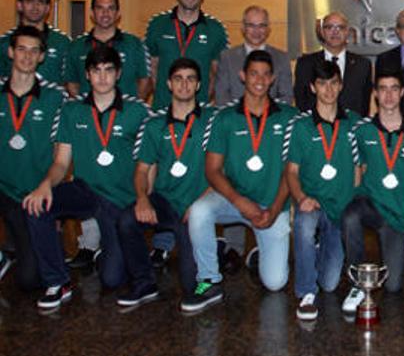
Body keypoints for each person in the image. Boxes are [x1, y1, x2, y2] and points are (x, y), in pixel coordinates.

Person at [22, 46, 151, 309]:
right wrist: (44, 186)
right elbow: (60, 163)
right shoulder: (72, 111)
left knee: (112, 279)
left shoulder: (137, 112)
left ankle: (114, 247)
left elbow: (149, 163)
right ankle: (58, 281)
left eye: (108, 70)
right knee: (37, 206)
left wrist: (143, 198)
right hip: (86, 191)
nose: (102, 77)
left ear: (118, 74)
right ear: (88, 75)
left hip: (120, 199)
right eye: (96, 71)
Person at [185, 50, 297, 311]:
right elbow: (212, 170)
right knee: (199, 211)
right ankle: (208, 280)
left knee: (275, 283)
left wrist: (276, 208)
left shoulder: (289, 117)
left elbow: (291, 171)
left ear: (272, 79)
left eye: (265, 74)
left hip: (272, 205)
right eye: (253, 73)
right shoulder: (224, 118)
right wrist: (239, 201)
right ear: (242, 76)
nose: (259, 79)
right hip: (233, 199)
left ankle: (261, 245)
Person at [116, 58, 213, 309]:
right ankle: (144, 283)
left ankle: (208, 284)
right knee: (127, 219)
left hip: (201, 202)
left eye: (191, 78)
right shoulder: (154, 124)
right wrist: (142, 198)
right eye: (178, 79)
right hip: (167, 202)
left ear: (199, 84)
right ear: (169, 84)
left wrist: (203, 204)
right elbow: (142, 170)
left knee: (192, 288)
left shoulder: (213, 121)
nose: (184, 84)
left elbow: (225, 169)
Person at [341, 68, 404, 313]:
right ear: (376, 94)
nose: (388, 95)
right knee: (350, 215)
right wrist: (357, 196)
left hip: (397, 214)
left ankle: (395, 245)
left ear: (401, 93)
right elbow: (360, 167)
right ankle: (357, 280)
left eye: (393, 89)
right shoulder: (363, 131)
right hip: (370, 204)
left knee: (392, 287)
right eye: (383, 89)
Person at [284, 60, 359, 320]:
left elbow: (361, 167)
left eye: (333, 83)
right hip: (312, 204)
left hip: (341, 209)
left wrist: (356, 202)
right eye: (322, 84)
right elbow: (291, 172)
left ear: (340, 86)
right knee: (304, 226)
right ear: (313, 88)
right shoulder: (300, 126)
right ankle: (306, 293)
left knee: (329, 283)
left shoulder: (354, 123)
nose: (328, 90)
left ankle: (316, 252)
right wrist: (301, 197)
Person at [0, 26, 67, 291]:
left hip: (30, 194)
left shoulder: (56, 97)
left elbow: (61, 156)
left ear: (42, 56)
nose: (27, 57)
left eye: (34, 51)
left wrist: (51, 190)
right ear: (10, 52)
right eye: (21, 49)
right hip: (1, 187)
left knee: (29, 280)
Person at [145, 0, 228, 110]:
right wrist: (166, 94)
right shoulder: (157, 24)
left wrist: (202, 99)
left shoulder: (216, 29)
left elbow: (217, 74)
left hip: (199, 111)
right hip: (163, 109)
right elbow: (152, 68)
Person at [65, 0, 151, 99]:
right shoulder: (76, 46)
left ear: (118, 14)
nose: (105, 13)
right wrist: (85, 107)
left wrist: (130, 110)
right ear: (92, 13)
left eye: (111, 8)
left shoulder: (134, 44)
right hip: (89, 113)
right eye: (100, 8)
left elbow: (145, 81)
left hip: (125, 112)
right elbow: (71, 83)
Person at [294, 11, 372, 116]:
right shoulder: (305, 64)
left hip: (352, 126)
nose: (335, 32)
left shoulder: (363, 65)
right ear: (322, 32)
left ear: (348, 32)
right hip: (314, 127)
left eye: (340, 27)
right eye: (329, 27)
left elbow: (364, 104)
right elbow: (301, 101)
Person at [215, 5, 293, 105]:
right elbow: (221, 95)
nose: (256, 31)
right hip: (235, 118)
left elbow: (286, 96)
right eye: (251, 25)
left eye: (261, 26)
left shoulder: (282, 58)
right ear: (243, 28)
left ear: (268, 29)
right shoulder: (227, 57)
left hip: (272, 118)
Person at [0, 0, 70, 85]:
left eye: (40, 2)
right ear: (19, 5)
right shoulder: (4, 42)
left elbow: (70, 81)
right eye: (29, 1)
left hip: (51, 100)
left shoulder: (62, 42)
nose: (35, 7)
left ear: (47, 8)